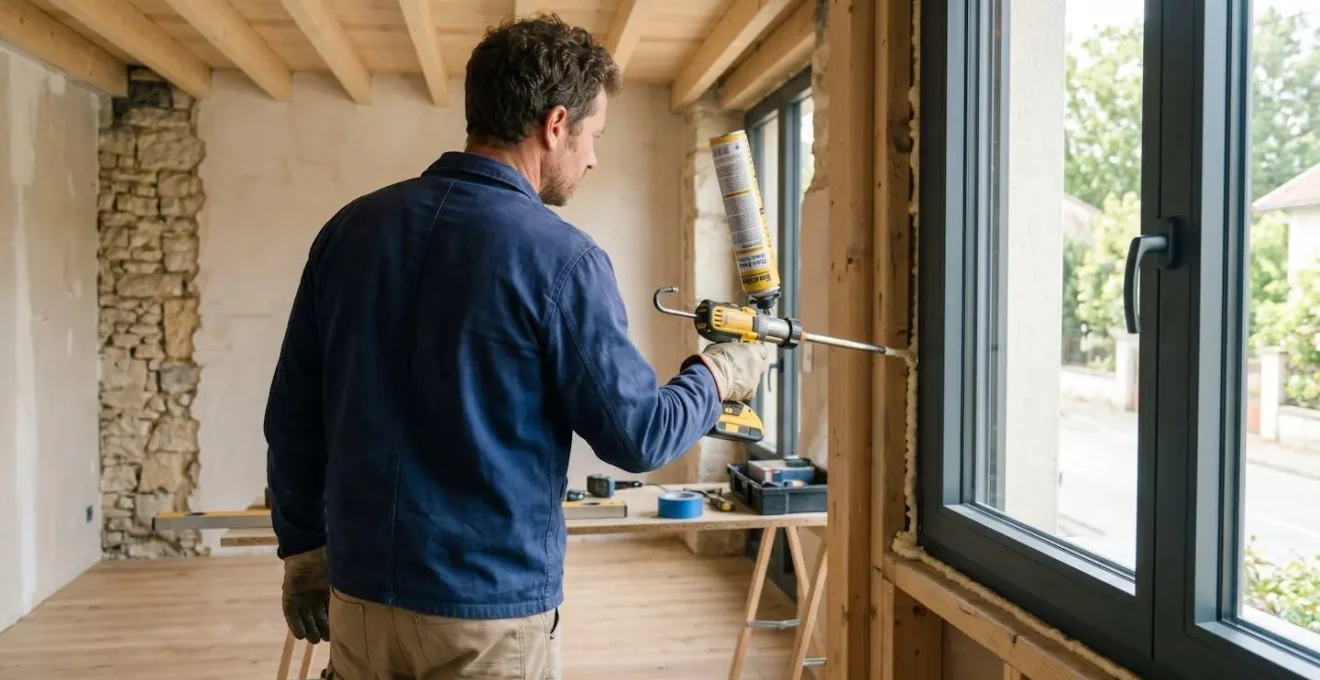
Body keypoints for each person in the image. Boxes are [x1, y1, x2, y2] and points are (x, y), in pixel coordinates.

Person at [262, 14, 770, 680]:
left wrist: (303, 551)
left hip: (359, 599)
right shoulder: (563, 259)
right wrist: (718, 373)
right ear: (555, 124)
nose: (593, 157)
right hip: (485, 614)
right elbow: (638, 435)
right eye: (593, 136)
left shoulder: (350, 232)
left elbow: (293, 417)